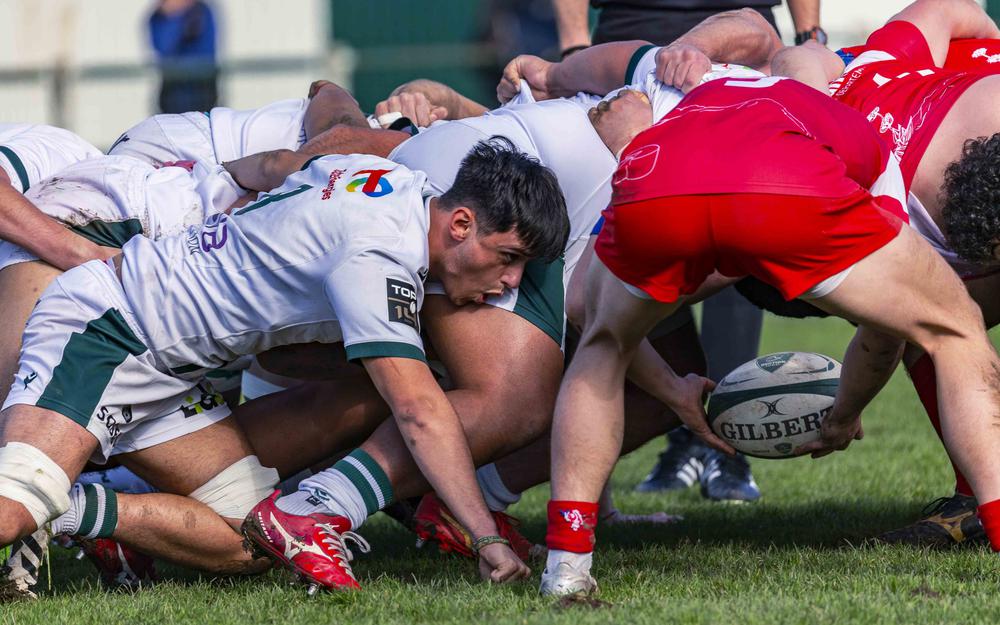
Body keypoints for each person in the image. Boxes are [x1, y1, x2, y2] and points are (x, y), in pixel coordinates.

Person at [0, 138, 567, 594]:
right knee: (9, 511)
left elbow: (270, 164)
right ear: (461, 224)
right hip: (109, 330)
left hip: (168, 372)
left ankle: (66, 512)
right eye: (509, 258)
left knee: (258, 540)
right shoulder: (379, 256)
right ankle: (34, 506)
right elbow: (418, 412)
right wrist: (486, 536)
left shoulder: (390, 179)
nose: (510, 283)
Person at [539, 70, 1000, 596]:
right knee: (955, 328)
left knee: (603, 345)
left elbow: (578, 305)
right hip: (782, 185)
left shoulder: (689, 108)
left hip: (658, 182)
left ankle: (567, 563)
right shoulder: (855, 125)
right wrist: (843, 415)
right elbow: (883, 332)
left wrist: (667, 384)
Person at [550, 0, 821, 502]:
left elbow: (758, 26)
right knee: (631, 246)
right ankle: (680, 434)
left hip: (736, 43)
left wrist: (811, 33)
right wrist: (574, 47)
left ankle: (726, 449)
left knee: (740, 228)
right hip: (636, 42)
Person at [767, 0, 1000, 546]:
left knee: (938, 326)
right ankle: (978, 494)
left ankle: (979, 496)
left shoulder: (861, 89)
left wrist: (844, 415)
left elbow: (883, 335)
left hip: (908, 169)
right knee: (939, 325)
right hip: (919, 164)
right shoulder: (863, 98)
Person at [149, 0, 219, 114]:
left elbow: (204, 56)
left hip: (201, 92)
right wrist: (170, 17)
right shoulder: (158, 16)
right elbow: (163, 48)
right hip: (172, 96)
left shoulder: (202, 11)